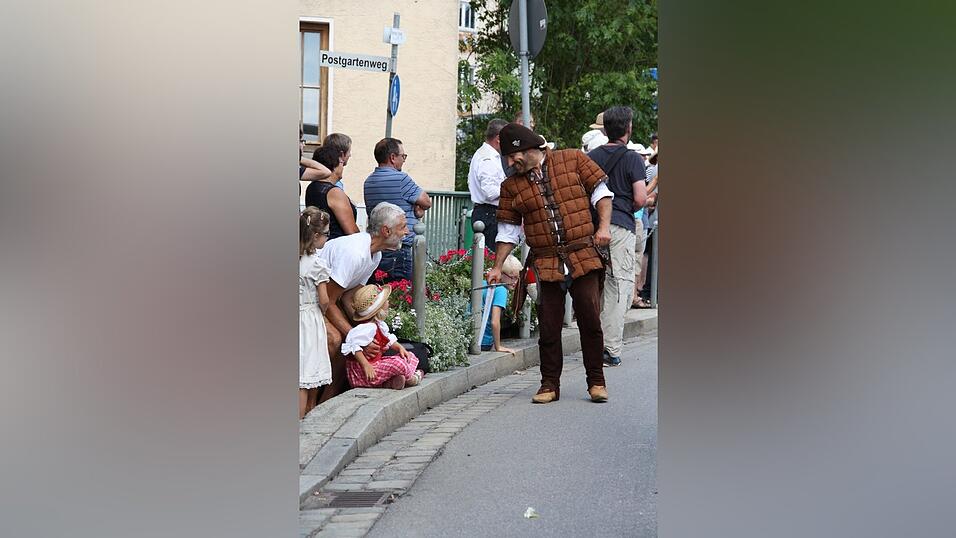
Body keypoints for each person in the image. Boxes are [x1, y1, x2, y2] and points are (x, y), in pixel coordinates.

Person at [487, 123, 614, 404]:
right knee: (549, 324)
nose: (510, 162)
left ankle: (596, 381)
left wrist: (603, 228)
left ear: (528, 148)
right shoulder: (510, 186)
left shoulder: (573, 159)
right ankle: (549, 384)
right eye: (507, 158)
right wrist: (497, 266)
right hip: (546, 260)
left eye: (512, 155)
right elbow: (508, 231)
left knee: (590, 320)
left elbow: (601, 194)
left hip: (583, 253)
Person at [317, 202, 409, 401]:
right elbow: (329, 301)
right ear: (386, 230)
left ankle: (326, 402)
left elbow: (350, 295)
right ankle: (312, 403)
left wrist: (372, 326)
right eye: (403, 227)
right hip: (311, 299)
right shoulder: (356, 253)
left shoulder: (374, 255)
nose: (407, 232)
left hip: (326, 299)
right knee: (336, 340)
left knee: (356, 342)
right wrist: (356, 336)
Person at [587, 106, 648, 367]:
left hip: (592, 226)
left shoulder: (591, 157)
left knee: (594, 284)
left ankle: (593, 342)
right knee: (618, 284)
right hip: (620, 226)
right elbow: (640, 198)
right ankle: (609, 348)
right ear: (628, 128)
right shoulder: (633, 159)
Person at [363, 138, 432, 283]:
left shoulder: (368, 182)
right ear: (392, 158)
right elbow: (426, 201)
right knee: (404, 294)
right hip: (400, 245)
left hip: (377, 246)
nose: (404, 160)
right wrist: (417, 209)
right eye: (403, 156)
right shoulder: (401, 179)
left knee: (379, 291)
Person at [343, 284, 423, 389]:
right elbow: (353, 346)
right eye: (385, 301)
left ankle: (390, 382)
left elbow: (388, 338)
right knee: (398, 364)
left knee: (409, 356)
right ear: (378, 308)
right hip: (365, 372)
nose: (388, 302)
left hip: (375, 364)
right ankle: (412, 378)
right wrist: (366, 365)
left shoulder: (378, 324)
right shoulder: (367, 328)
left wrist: (399, 348)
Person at [299, 207, 333, 418]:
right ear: (316, 236)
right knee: (304, 374)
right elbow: (324, 299)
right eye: (327, 234)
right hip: (309, 320)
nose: (327, 239)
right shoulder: (317, 264)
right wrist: (325, 309)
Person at [468, 119, 509, 247]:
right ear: (498, 139)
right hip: (489, 213)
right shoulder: (488, 159)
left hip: (487, 212)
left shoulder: (486, 155)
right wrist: (511, 188)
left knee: (488, 259)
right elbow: (490, 193)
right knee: (490, 259)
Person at [305, 146, 359, 239]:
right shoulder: (334, 192)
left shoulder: (312, 187)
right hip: (337, 245)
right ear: (334, 165)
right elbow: (352, 231)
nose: (343, 166)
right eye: (342, 162)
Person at [478, 255, 523, 353]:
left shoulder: (483, 283)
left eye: (517, 278)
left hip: (473, 337)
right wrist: (498, 347)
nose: (515, 282)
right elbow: (495, 321)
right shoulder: (501, 290)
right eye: (512, 278)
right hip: (484, 341)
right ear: (501, 274)